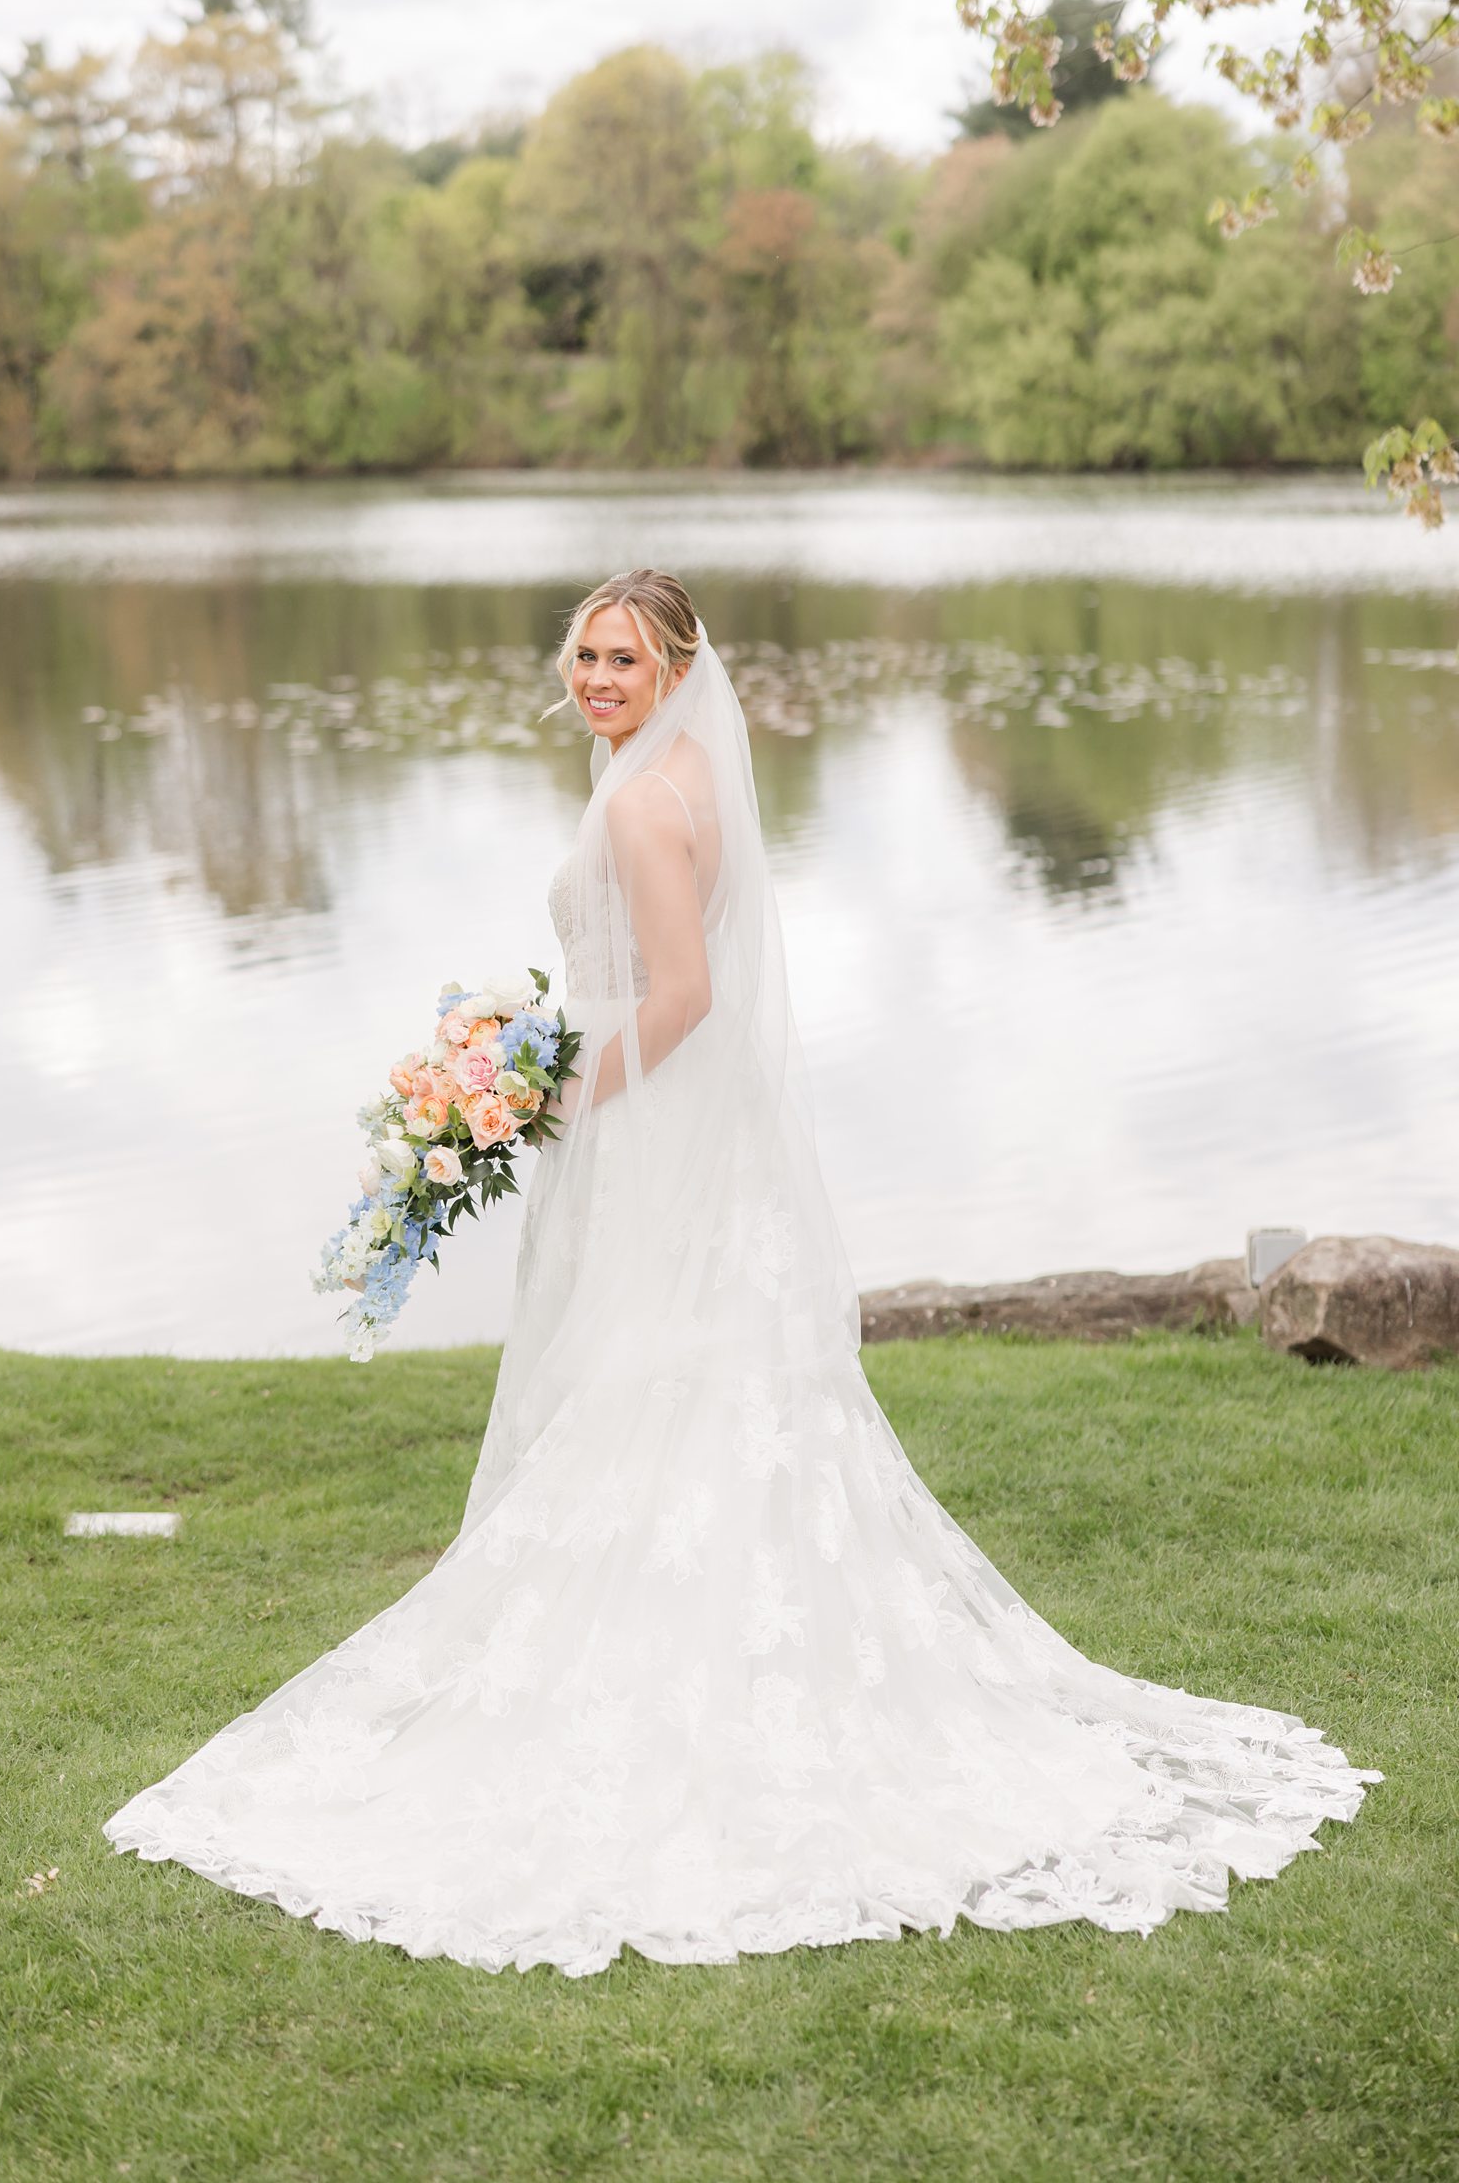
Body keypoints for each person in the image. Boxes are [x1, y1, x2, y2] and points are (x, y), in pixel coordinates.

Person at [104, 569, 1380, 1977]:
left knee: (642, 1381)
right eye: (583, 654)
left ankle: (667, 1683)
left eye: (623, 659)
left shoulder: (647, 801)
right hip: (687, 1135)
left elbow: (683, 996)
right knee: (688, 1384)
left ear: (674, 666)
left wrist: (555, 1095)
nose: (595, 678)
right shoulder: (679, 768)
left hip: (652, 1129)